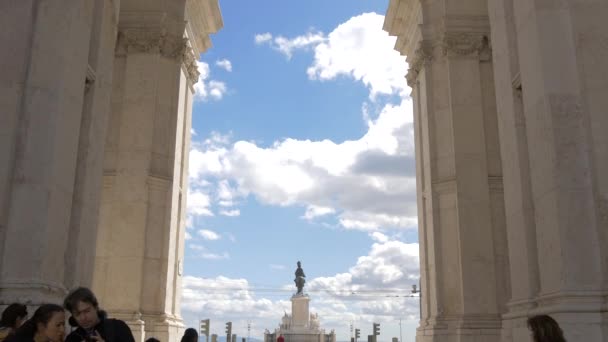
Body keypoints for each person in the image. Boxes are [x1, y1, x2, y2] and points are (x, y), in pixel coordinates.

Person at [63, 287, 135, 342]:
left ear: (96, 307)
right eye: (77, 314)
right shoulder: (72, 338)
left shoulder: (117, 327)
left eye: (87, 311)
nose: (83, 318)